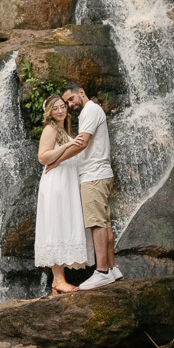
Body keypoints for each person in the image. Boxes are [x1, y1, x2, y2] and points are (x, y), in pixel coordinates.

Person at [48, 82, 122, 290]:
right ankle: (112, 268)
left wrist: (57, 160)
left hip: (93, 175)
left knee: (97, 223)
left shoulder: (90, 110)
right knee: (104, 223)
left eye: (71, 99)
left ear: (81, 92)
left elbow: (82, 143)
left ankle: (102, 271)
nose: (70, 105)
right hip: (100, 174)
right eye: (66, 102)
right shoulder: (91, 111)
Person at [34, 95, 95, 294]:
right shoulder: (50, 129)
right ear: (49, 112)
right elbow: (43, 157)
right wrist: (68, 145)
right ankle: (58, 280)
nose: (60, 111)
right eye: (55, 108)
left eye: (63, 107)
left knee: (63, 224)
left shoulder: (65, 130)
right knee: (56, 226)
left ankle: (57, 282)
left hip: (67, 182)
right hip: (56, 183)